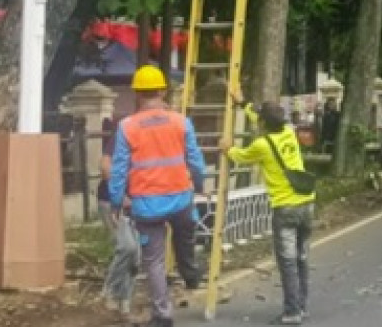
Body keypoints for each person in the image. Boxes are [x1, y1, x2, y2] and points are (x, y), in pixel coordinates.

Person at [109, 65, 205, 327]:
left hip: (147, 205)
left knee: (154, 261)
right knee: (185, 239)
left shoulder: (127, 127)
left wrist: (116, 202)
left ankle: (163, 315)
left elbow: (118, 170)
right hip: (181, 200)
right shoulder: (181, 122)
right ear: (162, 90)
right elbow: (195, 160)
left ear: (137, 93)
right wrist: (199, 184)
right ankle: (190, 272)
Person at [224, 98, 316, 326]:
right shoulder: (289, 131)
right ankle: (301, 306)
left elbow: (239, 156)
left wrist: (227, 148)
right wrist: (244, 103)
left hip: (285, 208)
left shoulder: (262, 145)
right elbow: (260, 118)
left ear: (264, 123)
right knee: (302, 258)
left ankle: (292, 312)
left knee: (288, 262)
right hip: (307, 204)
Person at [98, 117, 138, 319]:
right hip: (114, 203)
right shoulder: (123, 136)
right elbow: (105, 167)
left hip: (139, 205)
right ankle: (110, 290)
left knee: (135, 256)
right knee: (127, 247)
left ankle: (124, 305)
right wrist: (119, 197)